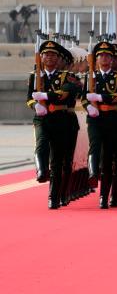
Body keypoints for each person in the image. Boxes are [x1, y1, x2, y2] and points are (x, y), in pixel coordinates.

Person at [83, 41, 117, 208]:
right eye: (101, 55)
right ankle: (95, 178)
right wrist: (88, 106)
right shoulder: (90, 77)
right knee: (98, 150)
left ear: (113, 59)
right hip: (97, 119)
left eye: (107, 55)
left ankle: (114, 195)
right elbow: (83, 96)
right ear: (96, 59)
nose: (104, 58)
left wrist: (101, 98)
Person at [27, 40, 82, 209]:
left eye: (53, 55)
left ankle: (54, 196)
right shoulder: (35, 76)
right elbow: (29, 97)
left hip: (61, 119)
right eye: (46, 54)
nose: (49, 57)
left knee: (58, 160)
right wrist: (34, 105)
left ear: (58, 59)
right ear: (41, 57)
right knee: (41, 143)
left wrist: (45, 96)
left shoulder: (67, 77)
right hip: (42, 118)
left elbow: (65, 92)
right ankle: (42, 170)